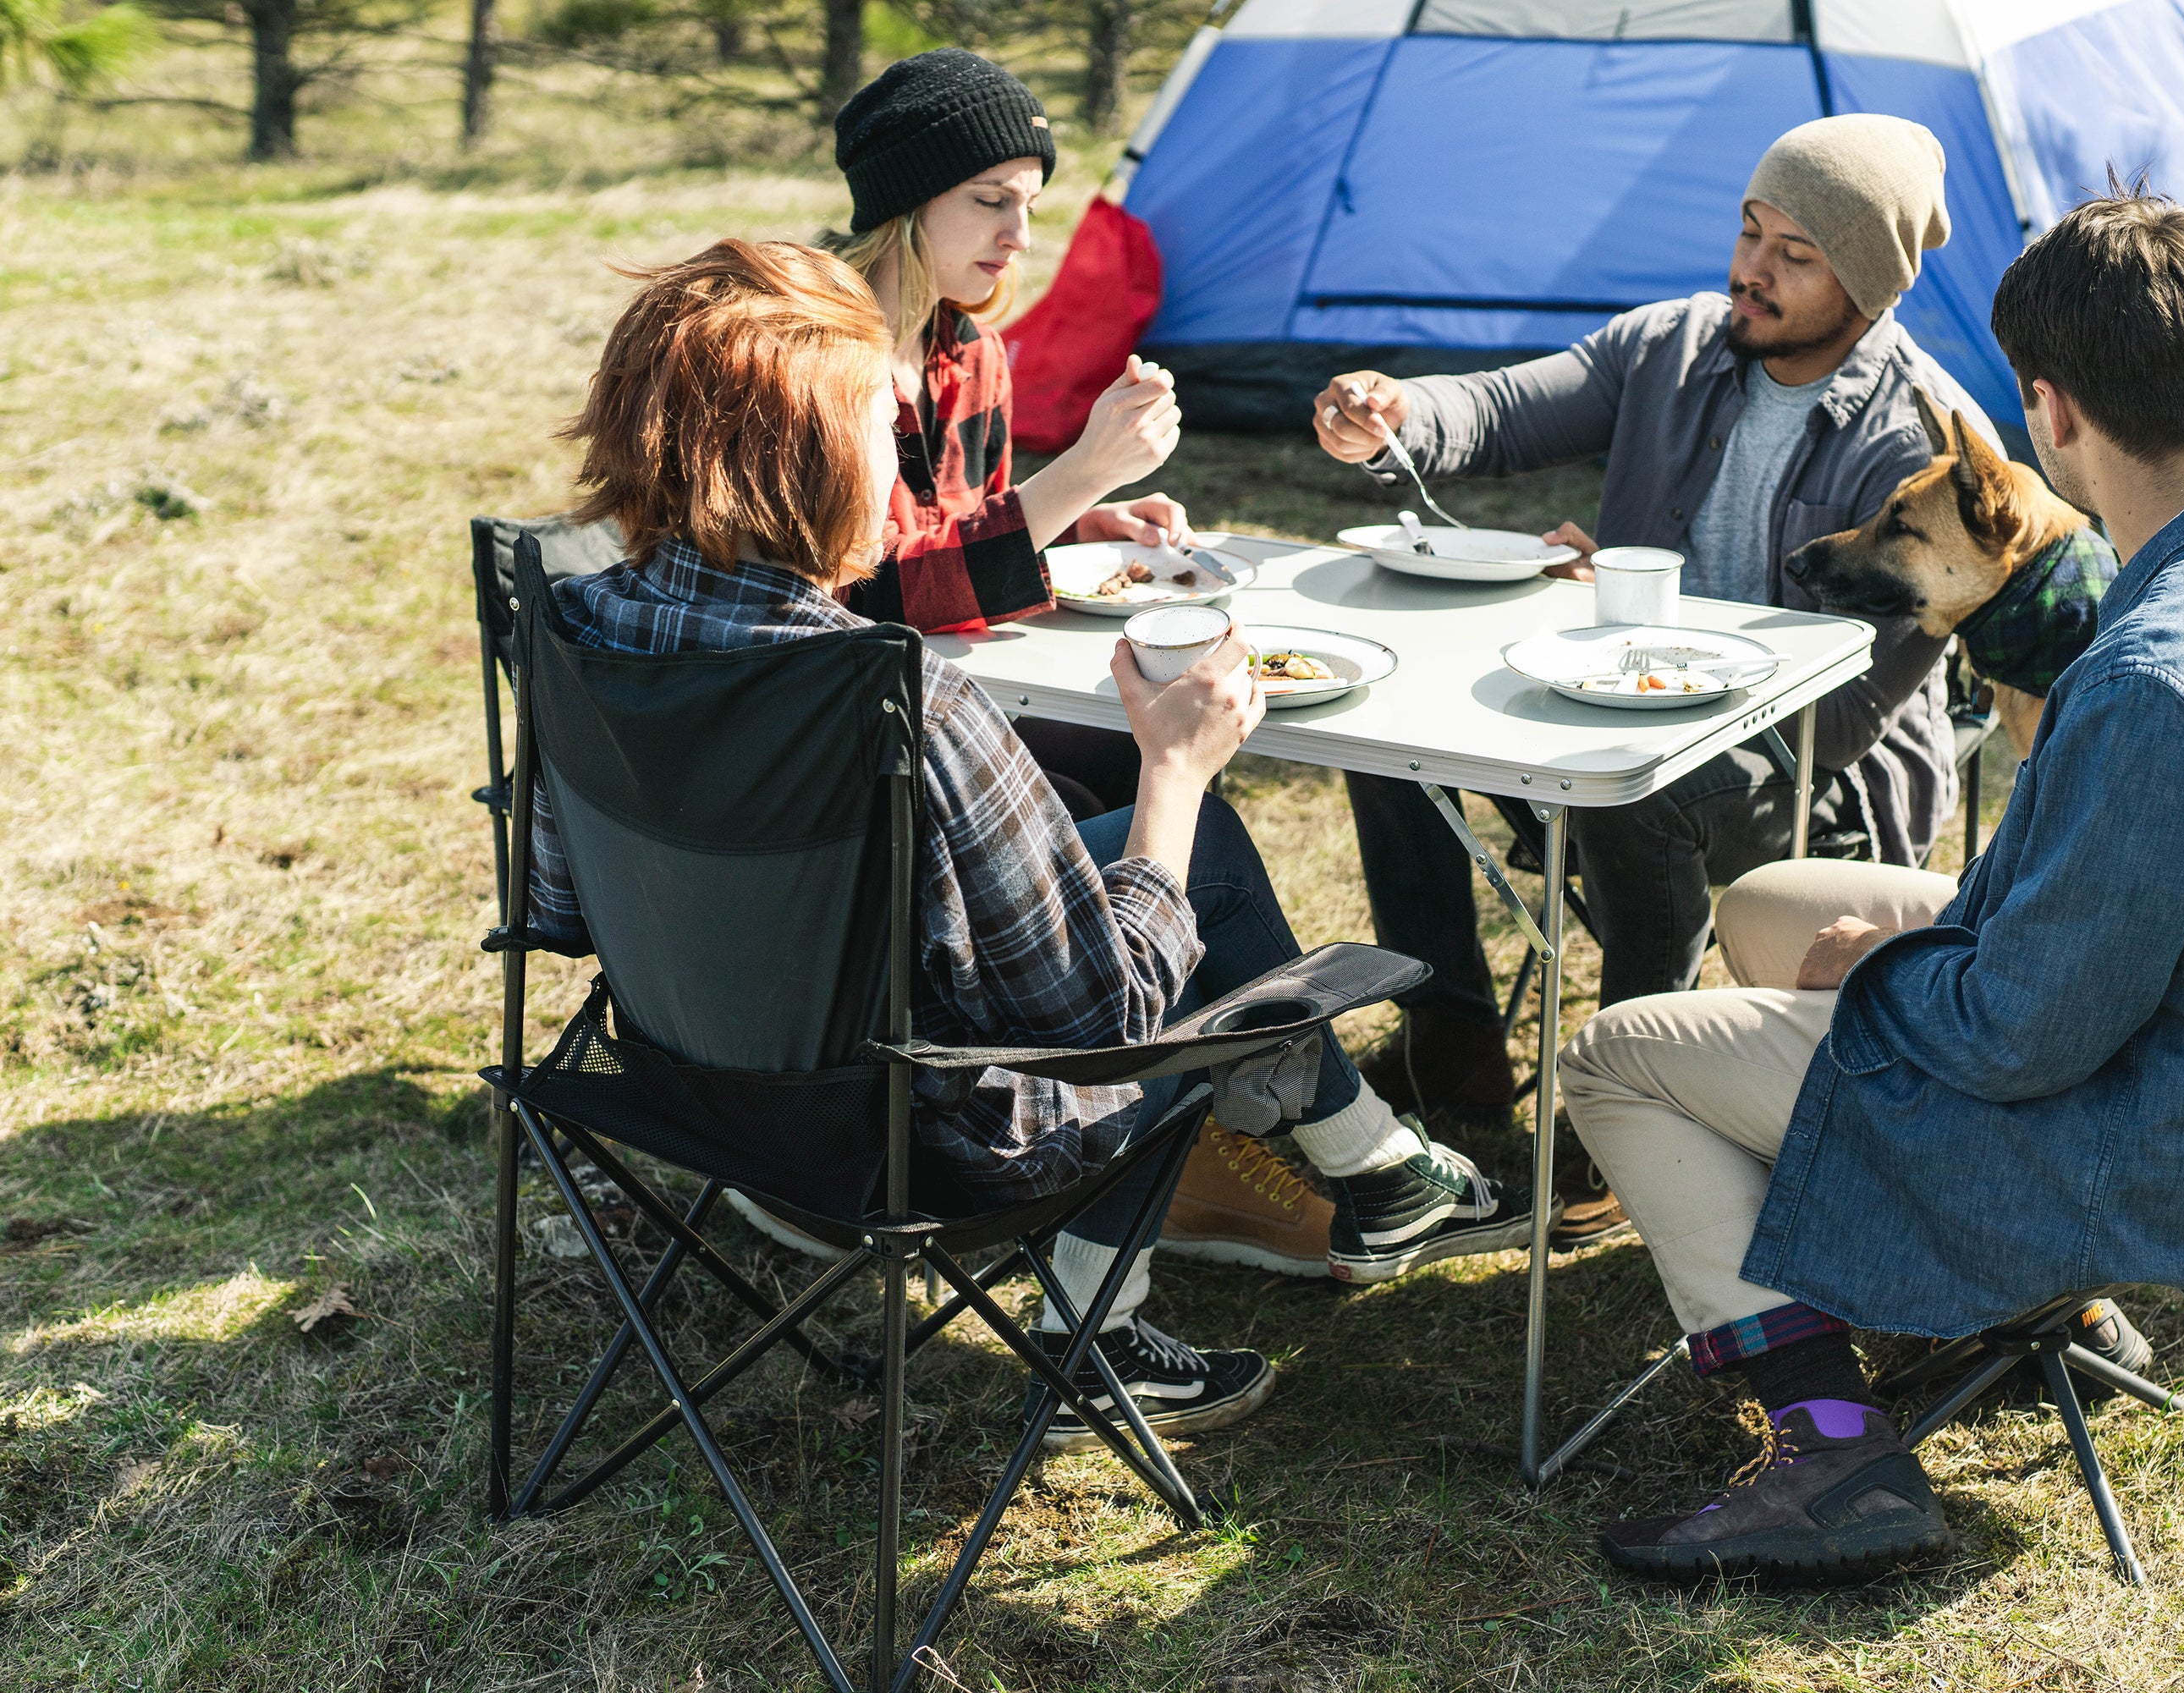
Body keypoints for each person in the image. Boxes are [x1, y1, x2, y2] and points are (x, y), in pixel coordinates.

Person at [1558, 188, 2184, 1585]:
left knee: (1617, 1058)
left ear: (2051, 410)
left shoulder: (2163, 675)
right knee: (1766, 905)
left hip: (2166, 1143)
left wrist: (1878, 976)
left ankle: (1832, 1452)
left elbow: (2023, 1031)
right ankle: (1977, 1295)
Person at [527, 239, 1536, 1455]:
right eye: (878, 424)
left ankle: (1375, 1170)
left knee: (1204, 855)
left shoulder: (574, 632)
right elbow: (1105, 1020)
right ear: (808, 454)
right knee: (1180, 864)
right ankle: (1106, 1334)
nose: (895, 456)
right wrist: (1173, 768)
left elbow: (557, 906)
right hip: (910, 1138)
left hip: (683, 1095)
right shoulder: (910, 704)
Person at [1307, 116, 1993, 1252]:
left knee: (1642, 795)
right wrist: (1398, 414)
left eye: (1796, 254)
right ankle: (1454, 1040)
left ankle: (1632, 1092)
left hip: (1815, 778)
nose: (1751, 270)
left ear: (1868, 284)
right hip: (1615, 707)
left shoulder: (1918, 442)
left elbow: (1841, 708)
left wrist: (1639, 623)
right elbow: (1506, 408)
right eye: (1750, 231)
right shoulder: (1672, 345)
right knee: (1388, 731)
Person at [824, 47, 1180, 819]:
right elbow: (863, 597)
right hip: (845, 734)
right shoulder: (816, 359)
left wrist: (1081, 521)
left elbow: (953, 532)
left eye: (1030, 207)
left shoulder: (972, 353)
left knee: (1151, 738)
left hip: (953, 700)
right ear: (903, 202)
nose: (1019, 236)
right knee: (1105, 805)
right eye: (991, 201)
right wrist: (1082, 471)